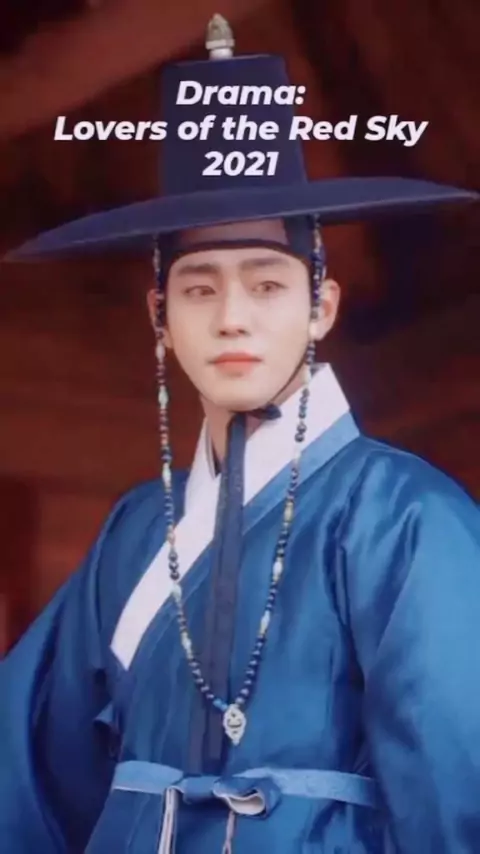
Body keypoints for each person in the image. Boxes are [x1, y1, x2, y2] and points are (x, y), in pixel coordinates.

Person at [1, 14, 479, 854]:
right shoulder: (134, 536)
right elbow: (29, 771)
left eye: (266, 286)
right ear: (159, 317)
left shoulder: (405, 515)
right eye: (198, 290)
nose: (231, 318)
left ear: (321, 307)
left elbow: (455, 792)